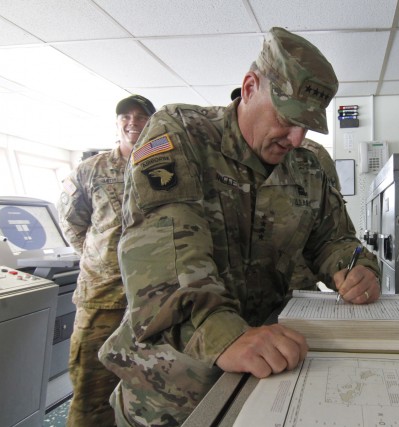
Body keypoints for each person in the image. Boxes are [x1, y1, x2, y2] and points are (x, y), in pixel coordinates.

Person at [99, 27, 380, 426]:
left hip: (267, 374)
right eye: (287, 118)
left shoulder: (309, 164)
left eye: (308, 125)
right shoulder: (182, 133)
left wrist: (357, 269)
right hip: (172, 390)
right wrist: (220, 331)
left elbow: (333, 238)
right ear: (249, 87)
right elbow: (164, 247)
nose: (297, 138)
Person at [57, 95, 156, 427]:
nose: (133, 122)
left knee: (148, 393)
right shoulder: (90, 170)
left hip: (150, 301)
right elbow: (73, 224)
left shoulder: (164, 169)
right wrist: (104, 258)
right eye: (126, 117)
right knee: (91, 393)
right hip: (102, 299)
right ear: (117, 123)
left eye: (141, 117)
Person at [232, 87, 342, 291]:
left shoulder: (311, 156)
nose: (296, 138)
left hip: (295, 292)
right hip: (227, 303)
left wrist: (353, 269)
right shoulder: (206, 150)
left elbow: (331, 232)